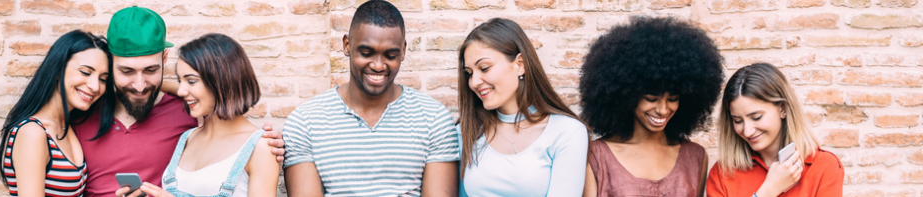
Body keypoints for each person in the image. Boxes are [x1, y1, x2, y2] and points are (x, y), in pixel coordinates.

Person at [71, 6, 285, 196]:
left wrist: (261, 144)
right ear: (110, 61)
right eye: (126, 71)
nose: (139, 85)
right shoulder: (82, 107)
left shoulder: (188, 113)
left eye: (150, 70)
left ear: (164, 59)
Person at [281, 0, 460, 196]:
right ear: (347, 45)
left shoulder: (434, 118)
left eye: (390, 55)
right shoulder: (305, 122)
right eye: (366, 53)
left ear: (403, 51)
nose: (378, 65)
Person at [114, 33, 279, 197]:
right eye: (180, 81)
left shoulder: (261, 147)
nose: (181, 91)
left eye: (191, 81)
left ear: (221, 80)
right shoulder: (187, 138)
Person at [579, 16, 724, 197]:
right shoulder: (596, 157)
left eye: (672, 99)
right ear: (627, 95)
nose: (663, 109)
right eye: (651, 98)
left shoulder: (695, 157)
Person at [456, 18, 588, 197]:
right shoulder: (466, 131)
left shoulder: (567, 132)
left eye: (484, 68)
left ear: (520, 65)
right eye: (469, 73)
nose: (474, 82)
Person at [0, 30, 114, 197]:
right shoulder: (33, 133)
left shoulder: (67, 125)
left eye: (103, 79)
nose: (95, 86)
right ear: (58, 70)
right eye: (86, 72)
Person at [706, 63, 844, 197]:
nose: (747, 131)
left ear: (782, 109)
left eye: (756, 117)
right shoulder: (722, 174)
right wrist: (769, 190)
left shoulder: (824, 166)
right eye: (738, 120)